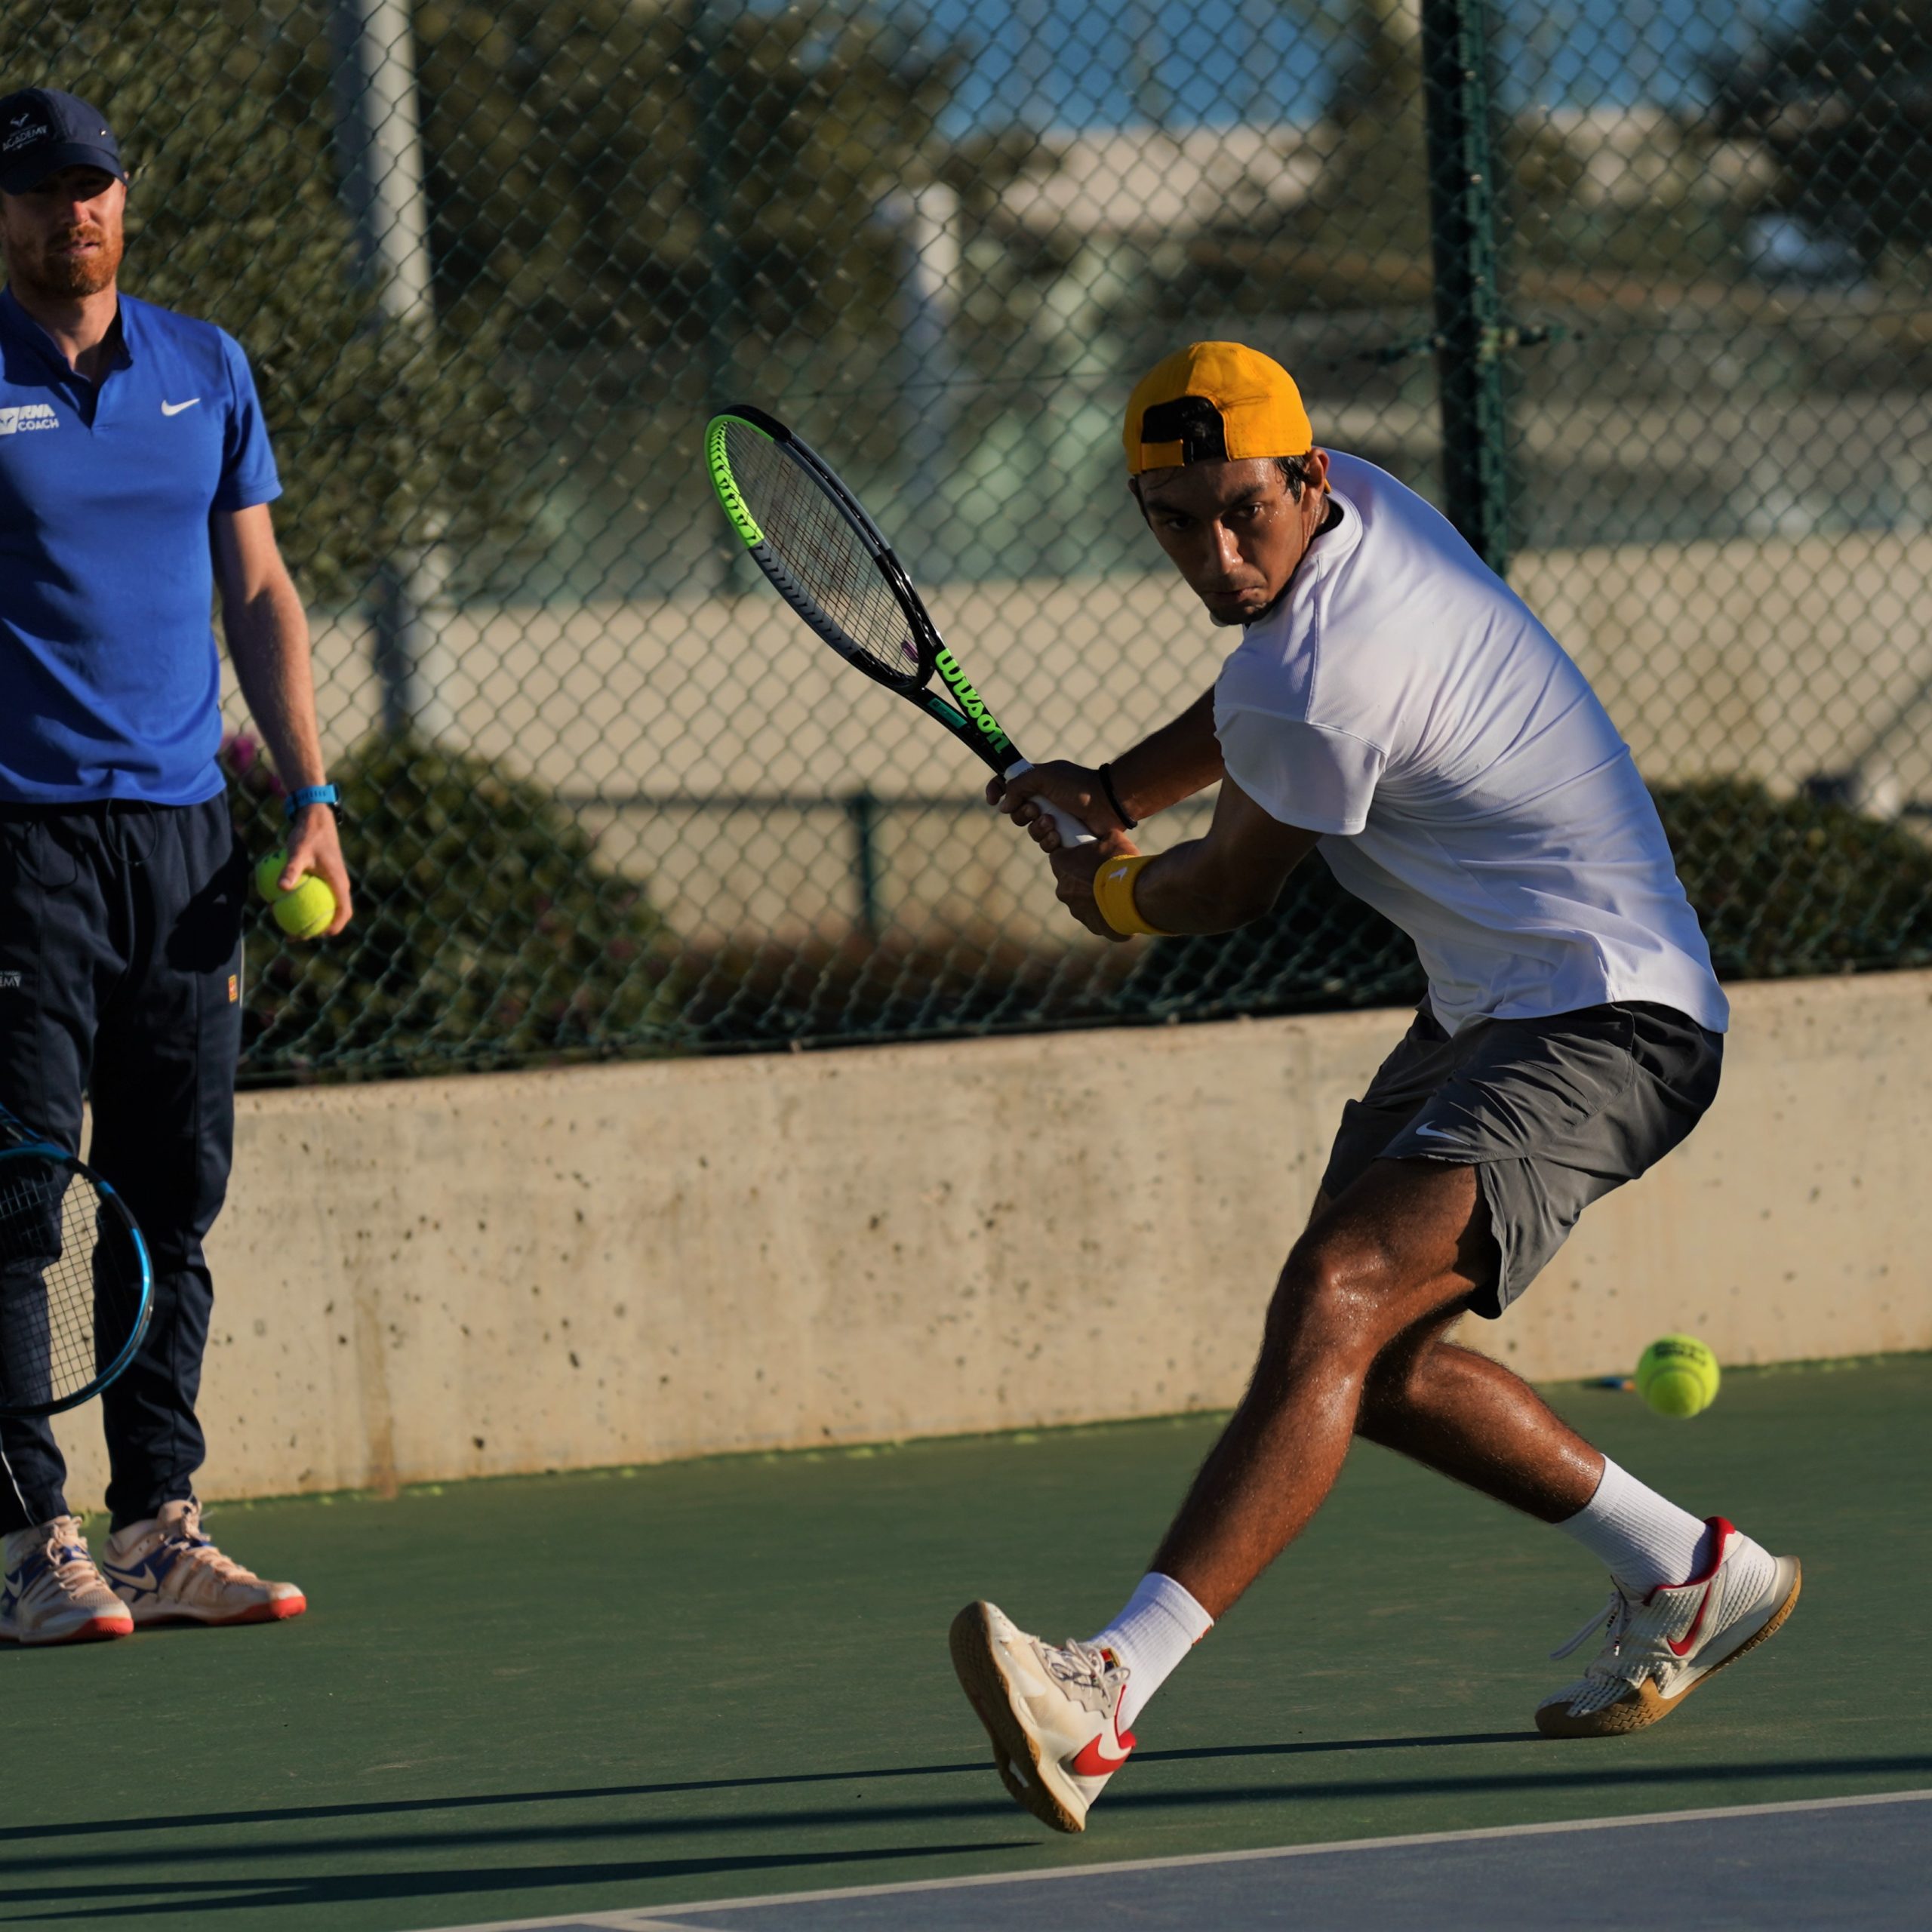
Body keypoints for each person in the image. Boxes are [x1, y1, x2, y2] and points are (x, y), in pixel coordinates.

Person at [948, 341, 1800, 1834]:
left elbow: (1226, 883)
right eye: (1174, 520)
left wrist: (1109, 889)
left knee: (1336, 1290)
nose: (1217, 555)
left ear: (1305, 477)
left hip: (1610, 1016)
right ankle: (1689, 1571)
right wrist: (1114, 795)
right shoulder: (1364, 519)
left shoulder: (1323, 675)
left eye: (1241, 513)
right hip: (1489, 1009)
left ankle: (1103, 1692)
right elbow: (1256, 697)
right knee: (1374, 1368)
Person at [0, 88, 351, 1643]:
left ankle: (157, 1521)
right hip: (19, 840)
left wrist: (310, 793)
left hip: (187, 837)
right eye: (37, 192)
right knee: (20, 1194)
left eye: (90, 185)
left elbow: (259, 590)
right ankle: (32, 1541)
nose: (69, 213)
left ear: (124, 200)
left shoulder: (206, 367)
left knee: (172, 1194)